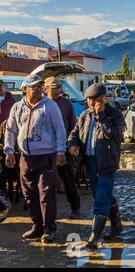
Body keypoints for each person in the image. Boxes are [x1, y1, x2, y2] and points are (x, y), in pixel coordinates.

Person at [4, 74, 67, 243]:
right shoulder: (17, 107)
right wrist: (9, 151)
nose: (39, 89)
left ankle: (49, 229)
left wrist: (61, 152)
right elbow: (10, 130)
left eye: (40, 86)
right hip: (25, 157)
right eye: (34, 87)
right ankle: (37, 226)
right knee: (29, 194)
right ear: (25, 89)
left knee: (46, 194)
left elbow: (60, 129)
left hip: (46, 156)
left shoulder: (50, 106)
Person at [68, 84, 124, 250]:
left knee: (100, 199)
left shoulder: (115, 114)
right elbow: (74, 133)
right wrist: (72, 144)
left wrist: (102, 116)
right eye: (89, 100)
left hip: (107, 163)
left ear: (103, 99)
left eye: (94, 101)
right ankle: (117, 225)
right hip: (90, 162)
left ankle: (94, 236)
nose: (90, 104)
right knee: (101, 194)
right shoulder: (85, 115)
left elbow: (114, 134)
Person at [44, 77, 81, 219]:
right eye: (54, 88)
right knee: (46, 182)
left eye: (59, 87)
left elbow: (73, 126)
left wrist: (71, 145)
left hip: (62, 147)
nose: (57, 90)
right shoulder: (42, 104)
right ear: (46, 88)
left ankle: (75, 207)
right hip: (45, 148)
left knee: (68, 179)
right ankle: (46, 213)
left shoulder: (66, 104)